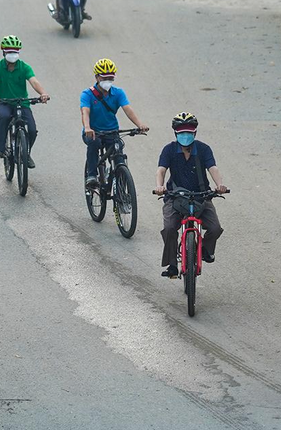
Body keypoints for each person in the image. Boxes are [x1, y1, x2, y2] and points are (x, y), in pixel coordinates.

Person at [152, 113, 228, 279]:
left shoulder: (203, 149)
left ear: (194, 133)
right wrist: (160, 186)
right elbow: (161, 170)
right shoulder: (169, 150)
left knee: (215, 228)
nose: (185, 135)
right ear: (175, 133)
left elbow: (213, 168)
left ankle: (206, 251)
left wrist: (219, 185)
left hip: (201, 196)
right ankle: (172, 265)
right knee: (170, 228)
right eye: (181, 132)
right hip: (175, 197)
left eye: (188, 132)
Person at [81, 58, 148, 187]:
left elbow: (127, 109)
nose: (107, 81)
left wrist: (139, 125)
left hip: (112, 131)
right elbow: (85, 112)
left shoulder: (118, 93)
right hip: (93, 132)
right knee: (94, 144)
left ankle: (123, 189)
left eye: (110, 78)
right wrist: (87, 127)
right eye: (104, 78)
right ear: (96, 77)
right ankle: (92, 175)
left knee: (119, 157)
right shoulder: (87, 94)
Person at [0, 36, 50, 165]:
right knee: (4, 117)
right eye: (9, 51)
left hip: (22, 103)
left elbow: (34, 81)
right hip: (3, 102)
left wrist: (43, 93)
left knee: (32, 130)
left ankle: (26, 154)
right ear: (3, 52)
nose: (12, 54)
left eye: (15, 52)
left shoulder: (24, 67)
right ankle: (1, 148)